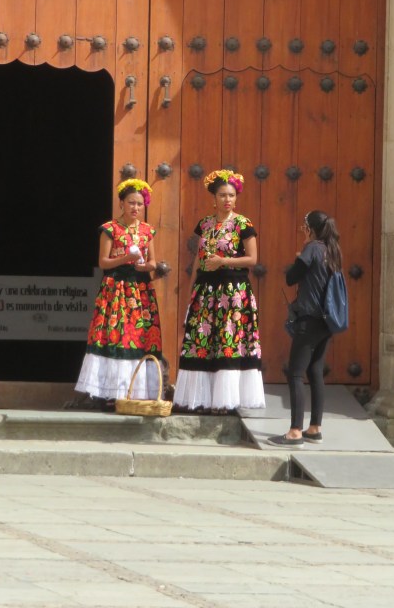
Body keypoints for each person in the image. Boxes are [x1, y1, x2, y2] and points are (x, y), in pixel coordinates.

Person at [173, 169, 264, 413]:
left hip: (232, 292)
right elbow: (198, 259)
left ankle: (226, 401)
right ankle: (202, 399)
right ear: (214, 198)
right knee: (203, 341)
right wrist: (191, 291)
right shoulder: (204, 224)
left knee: (227, 340)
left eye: (231, 195)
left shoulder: (243, 224)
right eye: (222, 195)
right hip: (205, 290)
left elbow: (252, 259)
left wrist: (223, 261)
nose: (227, 199)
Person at [75, 179, 163, 406]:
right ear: (121, 203)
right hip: (116, 288)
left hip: (140, 290)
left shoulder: (147, 231)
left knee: (140, 336)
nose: (136, 207)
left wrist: (145, 266)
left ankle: (138, 392)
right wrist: (126, 258)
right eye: (131, 203)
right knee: (117, 335)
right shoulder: (110, 229)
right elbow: (103, 262)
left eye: (140, 204)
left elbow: (153, 262)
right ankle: (111, 393)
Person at [268, 210, 340, 446]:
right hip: (326, 321)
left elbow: (291, 277)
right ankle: (315, 428)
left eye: (304, 228)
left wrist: (299, 258)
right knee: (315, 370)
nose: (303, 232)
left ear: (310, 229)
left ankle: (295, 431)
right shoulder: (332, 249)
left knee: (296, 373)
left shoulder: (312, 248)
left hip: (309, 319)